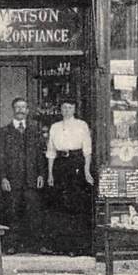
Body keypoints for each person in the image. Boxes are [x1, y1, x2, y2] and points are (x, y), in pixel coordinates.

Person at [46, 98, 94, 254]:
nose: (66, 110)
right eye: (64, 108)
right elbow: (51, 152)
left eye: (70, 107)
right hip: (60, 163)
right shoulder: (55, 127)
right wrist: (50, 173)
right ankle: (61, 246)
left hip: (76, 163)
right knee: (60, 205)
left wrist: (86, 171)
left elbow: (87, 150)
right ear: (60, 109)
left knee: (75, 204)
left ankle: (76, 246)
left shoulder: (81, 125)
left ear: (74, 109)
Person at [0, 97, 42, 253]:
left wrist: (40, 174)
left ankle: (32, 245)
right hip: (12, 179)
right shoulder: (4, 131)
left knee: (32, 212)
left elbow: (39, 155)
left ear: (27, 110)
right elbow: (0, 156)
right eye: (17, 107)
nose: (21, 110)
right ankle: (11, 245)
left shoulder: (34, 130)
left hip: (31, 179)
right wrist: (3, 177)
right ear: (13, 110)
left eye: (23, 107)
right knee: (12, 212)